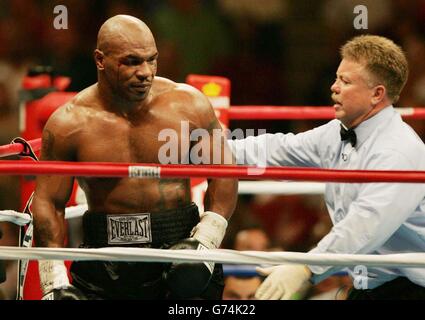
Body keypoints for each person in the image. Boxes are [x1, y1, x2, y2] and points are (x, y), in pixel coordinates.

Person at [31, 15, 238, 300]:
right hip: (106, 253)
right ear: (100, 60)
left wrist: (206, 241)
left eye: (151, 60)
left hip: (180, 241)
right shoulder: (69, 123)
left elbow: (225, 173)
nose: (145, 72)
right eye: (132, 61)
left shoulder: (188, 105)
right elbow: (49, 201)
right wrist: (52, 280)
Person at [229, 34, 425, 300]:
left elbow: (364, 224)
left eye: (345, 81)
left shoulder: (398, 151)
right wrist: (214, 150)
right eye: (336, 78)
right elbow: (282, 148)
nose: (333, 87)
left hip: (412, 288)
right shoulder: (340, 131)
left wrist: (307, 267)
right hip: (371, 285)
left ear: (377, 94)